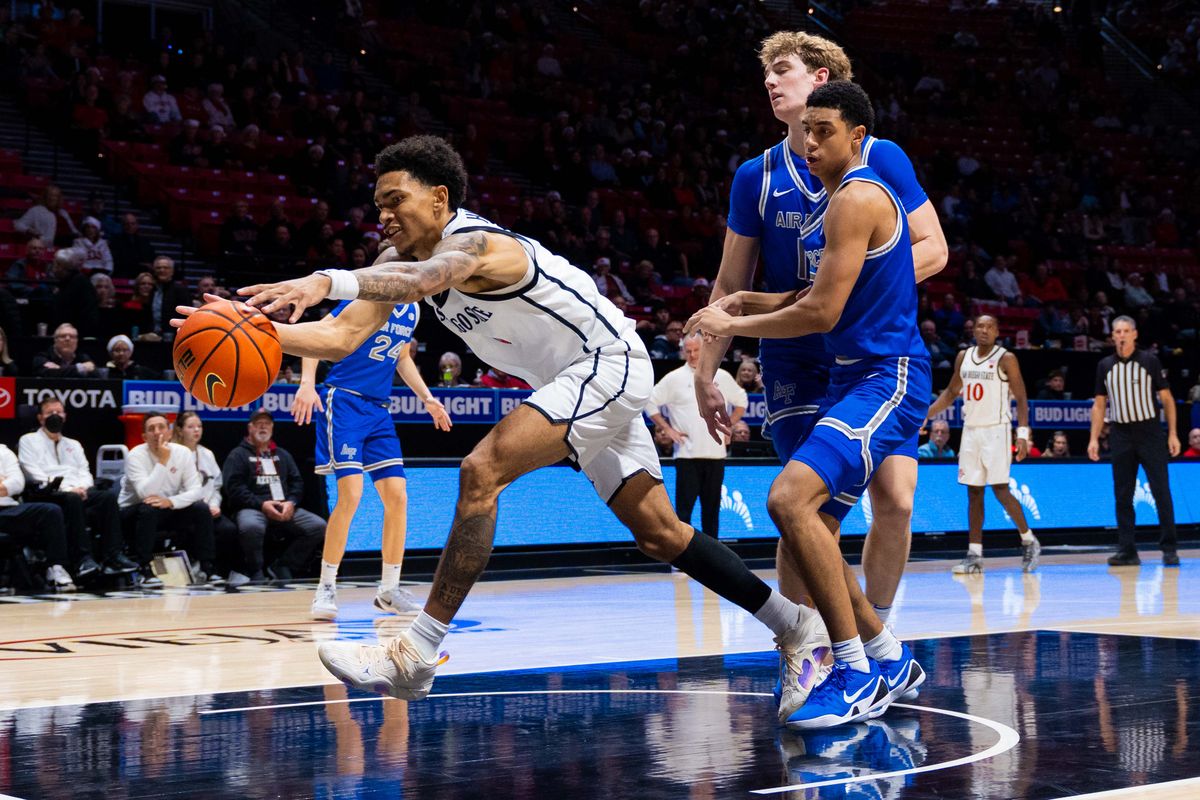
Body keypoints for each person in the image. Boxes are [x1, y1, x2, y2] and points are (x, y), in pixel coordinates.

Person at [191, 134, 816, 712]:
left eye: (394, 200)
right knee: (659, 533)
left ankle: (414, 654)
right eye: (376, 204)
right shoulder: (394, 261)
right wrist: (256, 332)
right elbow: (340, 333)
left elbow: (427, 278)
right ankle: (797, 627)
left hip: (610, 363)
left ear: (439, 198)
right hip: (573, 381)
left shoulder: (477, 245)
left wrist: (325, 278)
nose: (382, 215)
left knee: (480, 470)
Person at [692, 34, 945, 721]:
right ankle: (821, 657)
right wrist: (705, 376)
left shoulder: (875, 162)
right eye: (766, 74)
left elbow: (933, 248)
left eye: (782, 70)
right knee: (807, 512)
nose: (770, 83)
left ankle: (876, 645)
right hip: (799, 361)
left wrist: (862, 287)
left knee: (894, 495)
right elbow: (731, 284)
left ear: (822, 79)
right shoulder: (759, 174)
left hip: (861, 346)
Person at [293, 302, 451, 619]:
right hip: (344, 400)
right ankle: (325, 587)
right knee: (351, 495)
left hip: (378, 410)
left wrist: (428, 399)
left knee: (398, 496)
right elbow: (313, 336)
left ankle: (389, 590)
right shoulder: (361, 302)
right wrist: (306, 383)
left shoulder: (413, 311)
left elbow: (402, 358)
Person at [926, 315, 1039, 574]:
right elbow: (952, 392)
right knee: (973, 492)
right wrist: (927, 414)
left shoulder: (1006, 358)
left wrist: (1022, 434)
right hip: (971, 431)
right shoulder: (963, 357)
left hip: (997, 431)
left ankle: (1029, 540)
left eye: (989, 327)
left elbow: (1021, 398)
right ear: (973, 330)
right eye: (980, 326)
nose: (984, 330)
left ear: (997, 331)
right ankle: (974, 555)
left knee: (1000, 489)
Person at [1088, 316, 1180, 567]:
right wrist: (1093, 438)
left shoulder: (1149, 361)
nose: (1121, 335)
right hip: (1120, 433)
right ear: (1113, 336)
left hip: (1149, 432)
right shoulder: (1104, 365)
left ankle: (1169, 548)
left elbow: (1168, 399)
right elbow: (1099, 405)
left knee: (1161, 490)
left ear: (1135, 334)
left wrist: (1172, 433)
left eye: (1126, 331)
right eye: (1117, 331)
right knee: (1123, 494)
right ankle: (1128, 550)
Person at [18, 397, 138, 578]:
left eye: (59, 412)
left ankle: (113, 556)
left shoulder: (73, 444)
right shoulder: (29, 440)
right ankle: (83, 559)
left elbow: (85, 471)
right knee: (72, 498)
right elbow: (32, 472)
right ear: (41, 418)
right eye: (50, 412)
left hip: (78, 490)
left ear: (65, 416)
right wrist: (68, 488)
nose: (55, 416)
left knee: (107, 497)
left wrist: (83, 487)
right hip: (48, 491)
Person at [649, 334, 748, 539]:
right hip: (687, 455)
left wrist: (728, 424)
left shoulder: (721, 376)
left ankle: (712, 559)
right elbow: (650, 402)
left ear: (705, 350)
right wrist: (668, 430)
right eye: (688, 351)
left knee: (711, 512)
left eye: (696, 350)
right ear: (683, 351)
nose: (693, 355)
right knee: (684, 512)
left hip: (716, 455)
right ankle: (683, 556)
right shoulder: (674, 378)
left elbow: (741, 400)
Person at [220, 410, 325, 581]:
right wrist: (261, 505)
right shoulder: (238, 455)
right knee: (251, 527)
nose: (263, 426)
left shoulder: (282, 454)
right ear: (250, 427)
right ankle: (255, 570)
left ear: (272, 427)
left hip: (284, 506)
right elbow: (234, 488)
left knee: (318, 526)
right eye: (258, 423)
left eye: (267, 423)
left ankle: (284, 565)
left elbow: (297, 482)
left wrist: (291, 502)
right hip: (252, 508)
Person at [118, 414, 217, 587]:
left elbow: (196, 490)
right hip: (132, 511)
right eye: (151, 429)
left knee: (201, 508)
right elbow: (145, 493)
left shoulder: (182, 453)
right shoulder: (135, 455)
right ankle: (145, 569)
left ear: (170, 432)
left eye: (161, 427)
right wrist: (163, 460)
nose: (157, 433)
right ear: (144, 437)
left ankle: (206, 567)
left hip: (167, 506)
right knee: (148, 508)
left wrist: (171, 502)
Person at [171, 411, 241, 582]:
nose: (196, 430)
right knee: (194, 525)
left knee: (228, 529)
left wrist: (214, 504)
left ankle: (221, 571)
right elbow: (170, 488)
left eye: (199, 426)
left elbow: (216, 485)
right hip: (182, 509)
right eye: (190, 427)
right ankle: (200, 566)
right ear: (179, 430)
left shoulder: (207, 454)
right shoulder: (172, 454)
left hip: (208, 508)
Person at [0, 443, 77, 592]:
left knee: (51, 511)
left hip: (9, 509)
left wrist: (7, 484)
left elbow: (17, 483)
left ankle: (56, 568)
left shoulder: (3, 452)